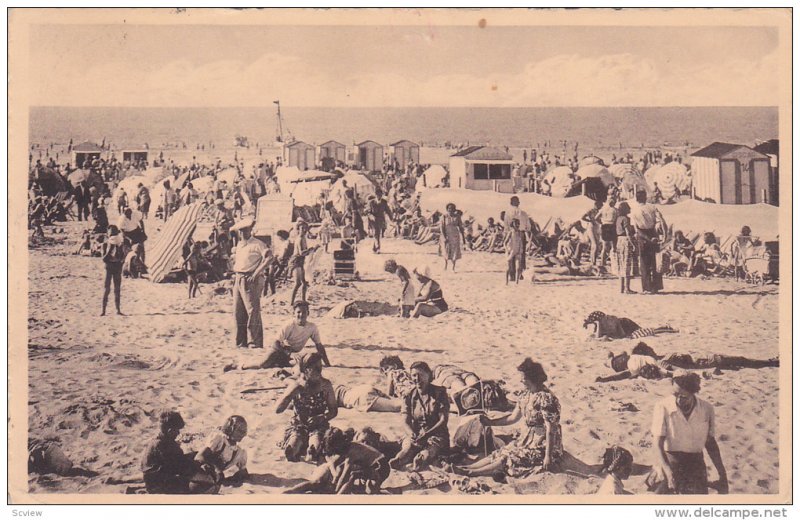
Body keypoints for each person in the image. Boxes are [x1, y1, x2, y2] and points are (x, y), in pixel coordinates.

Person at [455, 358, 563, 479]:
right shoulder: (525, 394)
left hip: (544, 445)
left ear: (533, 379)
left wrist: (548, 456)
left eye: (524, 377)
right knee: (502, 452)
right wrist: (490, 422)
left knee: (509, 458)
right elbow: (512, 418)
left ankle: (471, 473)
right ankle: (468, 468)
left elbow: (551, 430)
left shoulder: (547, 399)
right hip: (526, 440)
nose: (521, 380)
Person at [649, 373, 729, 494]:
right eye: (675, 395)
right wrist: (668, 473)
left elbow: (710, 443)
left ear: (693, 393)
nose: (678, 400)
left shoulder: (706, 409)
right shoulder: (662, 407)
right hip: (670, 460)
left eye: (684, 396)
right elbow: (657, 444)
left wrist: (722, 474)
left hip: (695, 462)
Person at [227, 300, 330, 371]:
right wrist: (289, 354)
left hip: (292, 353)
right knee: (263, 364)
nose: (301, 315)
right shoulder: (289, 324)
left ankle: (279, 364)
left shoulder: (312, 327)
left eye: (304, 312)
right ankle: (238, 366)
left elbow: (319, 346)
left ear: (308, 313)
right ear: (294, 313)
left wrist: (328, 364)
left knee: (304, 364)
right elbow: (275, 343)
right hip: (279, 350)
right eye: (298, 312)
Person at [595, 344, 778, 383]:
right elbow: (671, 368)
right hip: (691, 360)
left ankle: (769, 362)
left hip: (687, 360)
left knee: (733, 361)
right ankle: (769, 363)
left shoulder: (634, 364)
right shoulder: (636, 358)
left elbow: (623, 375)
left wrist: (605, 379)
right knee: (733, 360)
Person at [285, 427, 390, 494]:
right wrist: (334, 477)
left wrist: (336, 488)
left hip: (381, 467)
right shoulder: (347, 446)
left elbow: (345, 475)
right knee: (339, 471)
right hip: (372, 464)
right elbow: (335, 463)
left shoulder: (352, 451)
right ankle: (292, 490)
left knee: (352, 475)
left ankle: (338, 497)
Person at [275, 353, 338, 463]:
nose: (319, 371)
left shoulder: (326, 385)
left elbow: (333, 411)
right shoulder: (298, 386)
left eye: (320, 367)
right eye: (316, 368)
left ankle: (312, 451)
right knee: (295, 441)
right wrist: (289, 394)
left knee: (316, 441)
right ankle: (292, 450)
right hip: (299, 425)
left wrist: (322, 417)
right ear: (306, 370)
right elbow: (278, 410)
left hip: (318, 425)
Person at [389, 361, 450, 470]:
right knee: (407, 449)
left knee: (427, 453)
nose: (417, 378)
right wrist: (411, 433)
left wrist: (426, 435)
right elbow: (405, 421)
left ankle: (419, 460)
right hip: (417, 435)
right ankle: (398, 460)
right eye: (414, 375)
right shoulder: (409, 396)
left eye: (421, 375)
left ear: (429, 375)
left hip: (437, 435)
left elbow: (443, 421)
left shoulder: (439, 393)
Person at [230, 217, 271, 349]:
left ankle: (255, 342)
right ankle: (241, 342)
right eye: (241, 231)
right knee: (238, 311)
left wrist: (256, 273)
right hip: (238, 278)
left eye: (246, 230)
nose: (244, 233)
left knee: (252, 311)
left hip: (250, 278)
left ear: (250, 230)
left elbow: (269, 258)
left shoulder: (257, 243)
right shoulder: (240, 245)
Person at [141, 411, 198, 494]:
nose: (178, 433)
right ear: (170, 431)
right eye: (177, 430)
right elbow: (179, 467)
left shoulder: (159, 441)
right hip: (157, 485)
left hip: (156, 479)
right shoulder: (164, 445)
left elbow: (176, 460)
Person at [194, 415, 249, 486]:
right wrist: (217, 469)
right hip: (198, 469)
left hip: (211, 477)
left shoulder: (240, 452)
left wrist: (231, 479)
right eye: (239, 430)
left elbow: (244, 472)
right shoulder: (219, 439)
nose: (242, 434)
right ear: (230, 428)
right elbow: (199, 456)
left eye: (244, 431)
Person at [630, 190, 666, 294]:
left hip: (642, 235)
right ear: (645, 197)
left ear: (636, 199)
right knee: (655, 261)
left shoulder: (634, 211)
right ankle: (656, 287)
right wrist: (664, 235)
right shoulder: (652, 207)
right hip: (653, 233)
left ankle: (646, 287)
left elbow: (636, 229)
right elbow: (662, 221)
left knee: (644, 263)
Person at [583, 311, 677, 341]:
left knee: (644, 331)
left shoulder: (613, 321)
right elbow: (598, 336)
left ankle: (665, 328)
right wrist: (598, 324)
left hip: (626, 324)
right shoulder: (600, 325)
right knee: (645, 330)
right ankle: (664, 328)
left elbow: (622, 334)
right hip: (623, 327)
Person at [503, 195, 532, 276]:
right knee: (521, 254)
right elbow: (528, 227)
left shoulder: (508, 213)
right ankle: (521, 274)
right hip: (521, 234)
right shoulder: (523, 213)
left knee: (511, 254)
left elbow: (506, 226)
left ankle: (512, 274)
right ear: (518, 203)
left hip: (511, 234)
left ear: (510, 203)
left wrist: (506, 236)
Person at [289, 220, 316, 305]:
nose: (304, 230)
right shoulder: (300, 239)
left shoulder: (304, 237)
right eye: (302, 228)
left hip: (300, 261)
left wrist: (311, 250)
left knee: (304, 283)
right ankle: (291, 302)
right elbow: (302, 253)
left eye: (305, 228)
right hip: (295, 261)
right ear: (298, 229)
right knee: (297, 283)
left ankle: (303, 300)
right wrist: (311, 249)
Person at [100, 225, 126, 316]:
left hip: (117, 266)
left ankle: (118, 310)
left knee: (117, 289)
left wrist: (120, 260)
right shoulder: (105, 244)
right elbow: (103, 259)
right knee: (107, 289)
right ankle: (103, 310)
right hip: (109, 266)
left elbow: (123, 257)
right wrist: (110, 250)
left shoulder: (120, 243)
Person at [614, 201, 636, 293]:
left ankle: (621, 288)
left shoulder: (618, 219)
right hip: (626, 241)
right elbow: (628, 232)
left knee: (621, 264)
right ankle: (627, 288)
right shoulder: (626, 219)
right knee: (627, 264)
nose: (630, 209)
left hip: (619, 241)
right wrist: (633, 244)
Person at [440, 203, 465, 271]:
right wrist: (444, 237)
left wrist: (463, 238)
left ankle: (453, 267)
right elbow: (442, 228)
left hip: (455, 236)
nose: (450, 210)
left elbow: (461, 227)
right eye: (449, 208)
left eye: (452, 208)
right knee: (446, 250)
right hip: (446, 235)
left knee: (454, 251)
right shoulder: (444, 216)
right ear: (447, 209)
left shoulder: (457, 216)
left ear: (454, 209)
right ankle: (445, 266)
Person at [367, 189, 392, 253]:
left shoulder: (384, 202)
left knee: (377, 234)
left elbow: (388, 210)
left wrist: (391, 218)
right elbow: (368, 212)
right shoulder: (371, 202)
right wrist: (372, 217)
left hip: (380, 220)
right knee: (376, 233)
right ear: (375, 195)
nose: (379, 196)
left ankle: (374, 248)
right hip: (373, 220)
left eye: (380, 195)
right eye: (377, 195)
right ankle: (378, 248)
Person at [504, 218, 525, 284]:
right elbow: (505, 242)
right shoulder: (510, 232)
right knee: (508, 268)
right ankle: (506, 282)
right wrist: (506, 249)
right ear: (512, 224)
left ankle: (516, 282)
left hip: (518, 251)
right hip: (511, 251)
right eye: (516, 224)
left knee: (518, 267)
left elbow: (521, 242)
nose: (517, 225)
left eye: (518, 224)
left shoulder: (520, 232)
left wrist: (521, 250)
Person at [598, 197, 618, 267]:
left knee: (605, 246)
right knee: (613, 246)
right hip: (612, 226)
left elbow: (596, 218)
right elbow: (617, 219)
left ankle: (602, 262)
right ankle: (613, 263)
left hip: (604, 226)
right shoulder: (615, 210)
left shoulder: (603, 209)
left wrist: (602, 222)